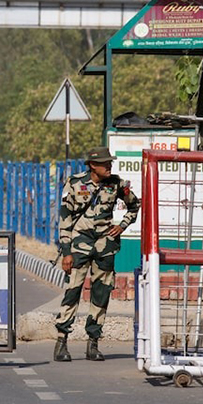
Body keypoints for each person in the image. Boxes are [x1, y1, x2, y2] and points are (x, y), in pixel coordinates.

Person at [54, 146, 140, 362]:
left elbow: (134, 206)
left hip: (105, 246)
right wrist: (66, 252)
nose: (109, 166)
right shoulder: (75, 184)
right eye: (105, 163)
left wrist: (122, 226)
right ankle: (62, 341)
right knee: (73, 291)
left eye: (110, 162)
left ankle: (93, 343)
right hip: (79, 245)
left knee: (101, 294)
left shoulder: (117, 184)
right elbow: (64, 220)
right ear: (93, 165)